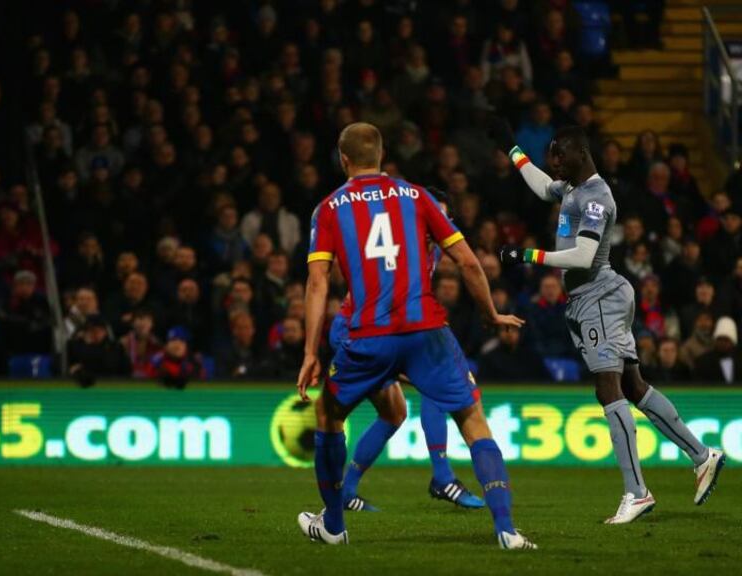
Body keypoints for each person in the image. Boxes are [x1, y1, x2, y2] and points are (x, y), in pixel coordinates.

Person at [297, 122, 535, 549]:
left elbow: (317, 284)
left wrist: (310, 351)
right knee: (473, 420)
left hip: (368, 334)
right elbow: (466, 261)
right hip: (426, 330)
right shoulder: (417, 196)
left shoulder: (329, 208)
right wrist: (491, 313)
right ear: (382, 155)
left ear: (343, 159)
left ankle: (333, 525)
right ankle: (507, 530)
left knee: (329, 416)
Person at [494, 120, 726, 523]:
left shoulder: (597, 197)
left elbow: (584, 256)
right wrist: (512, 151)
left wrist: (528, 256)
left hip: (600, 295)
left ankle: (636, 492)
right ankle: (702, 455)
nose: (555, 166)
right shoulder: (570, 187)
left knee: (608, 388)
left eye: (560, 158)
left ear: (580, 154)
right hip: (591, 298)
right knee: (633, 386)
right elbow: (539, 184)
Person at [332, 187, 485, 512]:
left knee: (395, 412)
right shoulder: (401, 247)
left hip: (385, 330)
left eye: (443, 217)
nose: (435, 223)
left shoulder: (435, 251)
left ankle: (346, 490)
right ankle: (442, 477)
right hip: (361, 331)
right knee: (429, 388)